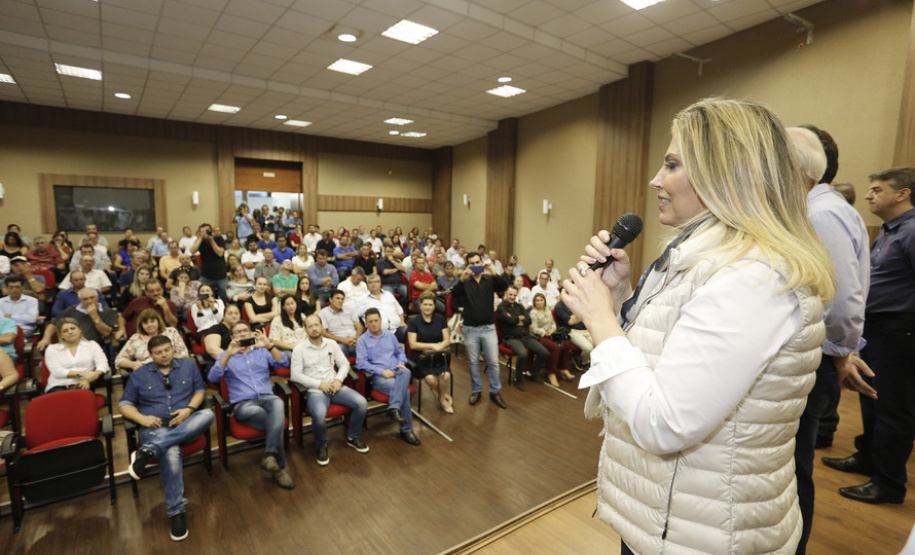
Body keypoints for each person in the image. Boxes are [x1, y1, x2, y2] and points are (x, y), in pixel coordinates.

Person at [563, 98, 834, 554]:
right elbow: (674, 357)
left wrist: (600, 319)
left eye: (671, 165)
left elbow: (665, 423)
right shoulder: (714, 258)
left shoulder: (752, 277)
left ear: (724, 174)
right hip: (675, 519)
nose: (655, 180)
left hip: (704, 536)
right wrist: (620, 297)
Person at [785, 126, 872, 551]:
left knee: (794, 468)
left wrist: (841, 354)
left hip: (816, 358)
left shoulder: (820, 213)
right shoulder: (826, 207)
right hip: (821, 354)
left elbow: (840, 299)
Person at [822, 167, 915, 505]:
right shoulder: (890, 231)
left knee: (893, 408)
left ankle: (889, 482)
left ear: (902, 194)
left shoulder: (912, 232)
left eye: (877, 189)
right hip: (877, 329)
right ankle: (869, 457)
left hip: (900, 331)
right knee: (872, 397)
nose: (868, 195)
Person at [119, 334, 215, 542]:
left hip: (185, 423)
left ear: (173, 349)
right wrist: (142, 419)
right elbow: (124, 404)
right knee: (171, 451)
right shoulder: (140, 374)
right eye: (158, 353)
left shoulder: (188, 366)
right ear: (150, 355)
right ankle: (176, 512)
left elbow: (200, 391)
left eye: (167, 350)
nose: (164, 355)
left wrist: (189, 410)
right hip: (156, 427)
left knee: (208, 414)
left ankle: (148, 451)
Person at [209, 322, 295, 489]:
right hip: (244, 404)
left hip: (267, 398)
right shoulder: (227, 355)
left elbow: (283, 363)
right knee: (275, 422)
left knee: (277, 401)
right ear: (232, 336)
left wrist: (269, 345)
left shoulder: (262, 350)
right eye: (237, 332)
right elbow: (212, 378)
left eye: (245, 331)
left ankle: (271, 458)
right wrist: (228, 355)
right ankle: (280, 468)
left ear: (251, 333)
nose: (242, 334)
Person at [290, 314, 370, 465]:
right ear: (305, 330)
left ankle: (353, 437)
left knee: (362, 403)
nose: (314, 329)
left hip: (335, 387)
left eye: (316, 325)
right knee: (319, 415)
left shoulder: (332, 344)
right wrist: (319, 384)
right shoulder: (299, 350)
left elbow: (345, 364)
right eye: (310, 326)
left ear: (321, 326)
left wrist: (338, 380)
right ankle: (322, 445)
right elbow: (295, 375)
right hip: (316, 391)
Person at [452, 252, 510, 408]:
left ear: (482, 262)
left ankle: (495, 392)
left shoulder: (489, 280)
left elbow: (504, 286)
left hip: (489, 328)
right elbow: (454, 297)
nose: (476, 265)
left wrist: (493, 272)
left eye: (478, 261)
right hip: (470, 329)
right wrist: (462, 279)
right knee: (472, 362)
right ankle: (476, 390)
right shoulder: (465, 282)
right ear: (468, 266)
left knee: (493, 363)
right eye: (472, 263)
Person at [356, 308, 420, 446]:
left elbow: (399, 352)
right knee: (406, 392)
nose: (373, 324)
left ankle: (394, 407)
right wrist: (381, 371)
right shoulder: (362, 340)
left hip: (396, 371)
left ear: (381, 321)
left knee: (407, 372)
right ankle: (407, 430)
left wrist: (401, 363)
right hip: (380, 378)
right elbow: (360, 363)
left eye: (376, 321)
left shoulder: (390, 335)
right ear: (366, 324)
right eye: (370, 322)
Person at [407, 292, 452, 413]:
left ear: (434, 306)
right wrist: (432, 346)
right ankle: (442, 394)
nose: (427, 307)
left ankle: (441, 398)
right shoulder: (414, 321)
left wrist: (440, 346)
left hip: (438, 355)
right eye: (425, 304)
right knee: (432, 380)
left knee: (446, 375)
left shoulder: (440, 319)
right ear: (420, 305)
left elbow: (447, 339)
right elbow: (413, 344)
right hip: (422, 356)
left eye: (430, 304)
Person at [497, 285, 549, 391]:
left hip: (525, 336)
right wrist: (518, 318)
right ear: (506, 294)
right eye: (510, 294)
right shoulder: (501, 307)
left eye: (514, 295)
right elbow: (509, 320)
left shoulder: (520, 306)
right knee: (523, 354)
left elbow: (528, 320)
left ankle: (531, 373)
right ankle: (518, 379)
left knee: (544, 353)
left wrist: (514, 319)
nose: (512, 297)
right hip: (511, 338)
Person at [38, 287, 117, 351]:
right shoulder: (71, 310)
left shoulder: (106, 311)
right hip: (70, 344)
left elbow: (106, 332)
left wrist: (94, 316)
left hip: (92, 347)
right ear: (80, 300)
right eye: (85, 299)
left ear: (97, 298)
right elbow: (53, 325)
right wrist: (46, 338)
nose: (89, 301)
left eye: (92, 298)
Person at [43, 317, 110, 392]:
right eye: (65, 331)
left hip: (83, 384)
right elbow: (57, 372)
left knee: (78, 396)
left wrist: (90, 379)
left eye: (73, 328)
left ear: (79, 329)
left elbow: (103, 364)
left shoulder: (92, 345)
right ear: (60, 335)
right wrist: (83, 374)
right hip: (57, 386)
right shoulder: (52, 349)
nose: (70, 332)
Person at [116, 309, 189, 373]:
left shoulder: (171, 332)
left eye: (152, 321)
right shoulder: (136, 338)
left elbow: (184, 353)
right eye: (145, 323)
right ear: (141, 325)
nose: (149, 325)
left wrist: (168, 363)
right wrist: (132, 364)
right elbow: (119, 360)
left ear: (158, 321)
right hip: (146, 374)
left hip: (172, 369)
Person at [528, 292, 575, 387]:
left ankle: (564, 369)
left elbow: (553, 323)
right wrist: (544, 332)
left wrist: (553, 329)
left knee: (567, 344)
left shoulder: (547, 310)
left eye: (541, 300)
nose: (539, 302)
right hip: (539, 336)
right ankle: (552, 373)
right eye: (537, 300)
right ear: (534, 302)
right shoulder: (533, 313)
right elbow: (533, 329)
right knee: (556, 347)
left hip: (551, 333)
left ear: (544, 301)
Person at [357, 274, 406, 342]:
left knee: (410, 333)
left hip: (396, 329)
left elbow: (399, 310)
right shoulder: (362, 299)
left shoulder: (388, 294)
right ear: (367, 285)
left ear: (380, 283)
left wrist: (402, 321)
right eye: (370, 282)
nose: (373, 284)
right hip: (378, 333)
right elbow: (355, 317)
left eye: (376, 282)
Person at [319, 289, 363, 357]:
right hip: (338, 343)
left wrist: (356, 339)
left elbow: (359, 326)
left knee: (366, 347)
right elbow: (323, 333)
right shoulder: (323, 313)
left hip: (355, 341)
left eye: (342, 299)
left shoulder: (350, 310)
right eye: (337, 298)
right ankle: (346, 367)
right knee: (340, 349)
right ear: (330, 300)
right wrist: (343, 340)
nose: (340, 301)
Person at [191, 223, 227, 301]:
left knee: (223, 296)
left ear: (211, 231)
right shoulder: (199, 241)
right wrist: (200, 237)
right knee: (205, 297)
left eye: (207, 231)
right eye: (202, 231)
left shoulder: (218, 238)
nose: (205, 233)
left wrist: (211, 240)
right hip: (206, 275)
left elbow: (220, 253)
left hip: (220, 275)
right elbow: (192, 251)